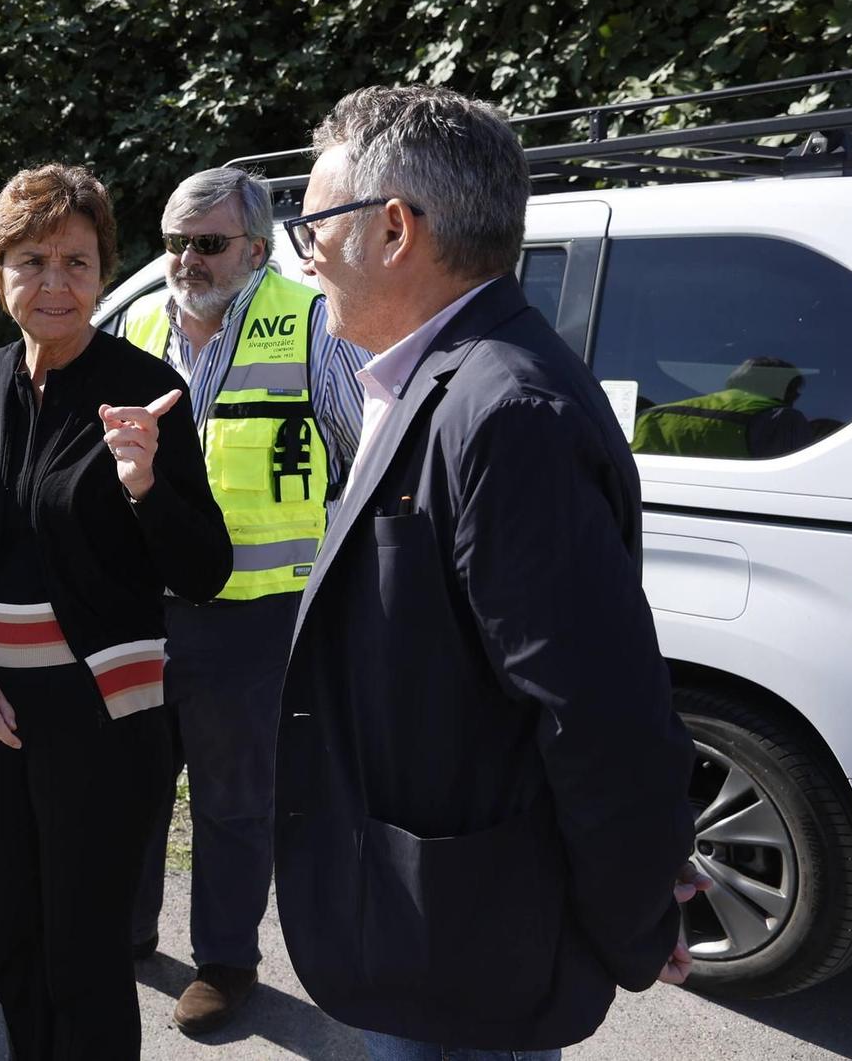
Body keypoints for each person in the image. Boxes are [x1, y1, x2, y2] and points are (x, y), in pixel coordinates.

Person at [273, 86, 701, 1059]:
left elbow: (601, 716)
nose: (303, 258)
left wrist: (635, 915)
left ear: (391, 230)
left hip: (465, 948)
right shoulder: (435, 375)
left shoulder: (501, 408)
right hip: (421, 916)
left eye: (312, 225)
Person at [0, 164, 232, 1061]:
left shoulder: (145, 387)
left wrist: (146, 485)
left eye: (78, 262)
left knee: (85, 952)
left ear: (102, 272)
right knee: (12, 937)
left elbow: (204, 570)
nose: (55, 282)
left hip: (102, 715)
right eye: (32, 259)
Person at [115, 166, 364, 1034]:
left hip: (258, 617)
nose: (188, 258)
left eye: (209, 243)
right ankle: (129, 931)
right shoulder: (139, 324)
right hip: (148, 610)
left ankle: (225, 961)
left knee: (233, 799)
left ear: (258, 250)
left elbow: (364, 462)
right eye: (176, 241)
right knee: (137, 783)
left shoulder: (310, 326)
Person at [629, 355, 813, 459]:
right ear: (783, 388)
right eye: (794, 391)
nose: (796, 398)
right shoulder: (783, 421)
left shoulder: (651, 416)